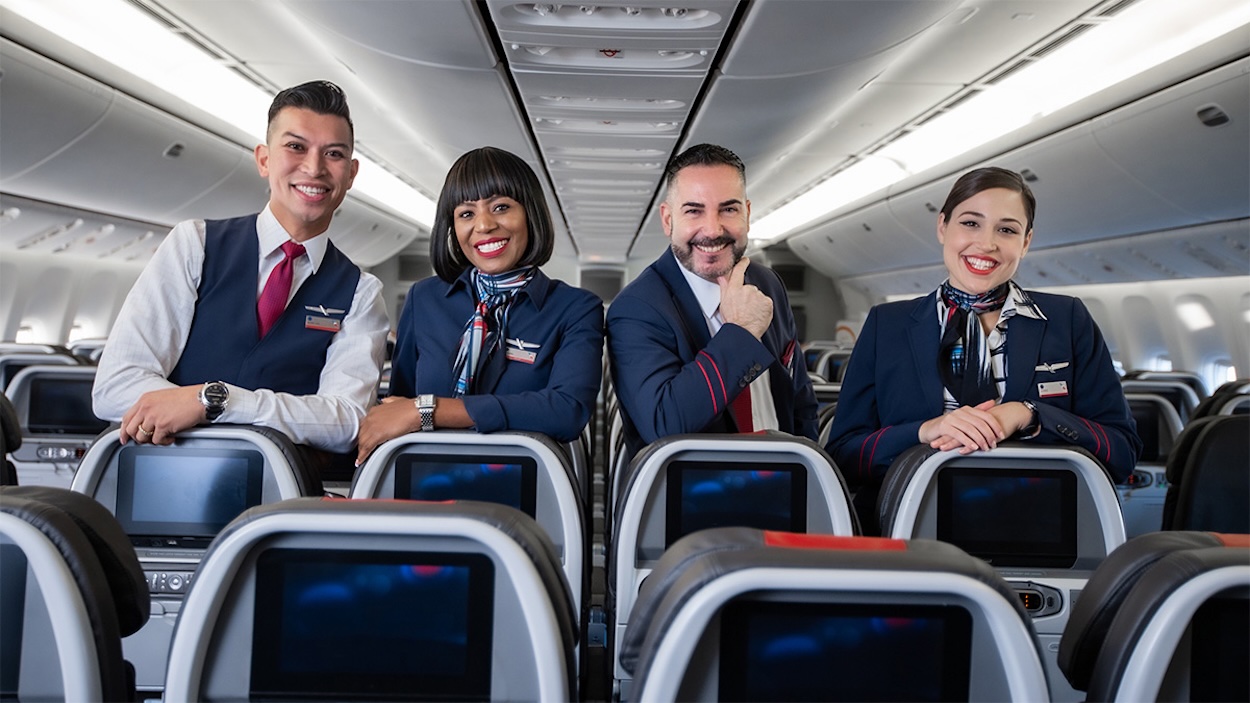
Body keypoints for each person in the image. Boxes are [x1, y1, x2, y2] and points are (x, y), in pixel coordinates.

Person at [826, 166, 1141, 532]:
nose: (987, 244)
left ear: (1025, 242)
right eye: (971, 223)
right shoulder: (888, 324)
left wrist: (1029, 414)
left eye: (1006, 230)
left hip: (1039, 531)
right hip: (908, 531)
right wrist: (925, 431)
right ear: (943, 227)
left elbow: (1122, 453)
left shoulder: (1066, 319)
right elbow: (845, 455)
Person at [93, 81, 389, 462]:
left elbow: (345, 421)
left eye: (333, 154)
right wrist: (277, 414)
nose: (314, 168)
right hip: (164, 479)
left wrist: (214, 400)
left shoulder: (360, 293)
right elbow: (115, 386)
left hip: (284, 497)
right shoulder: (195, 245)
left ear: (350, 174)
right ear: (264, 160)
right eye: (295, 147)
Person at [355, 147, 604, 464]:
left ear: (531, 213)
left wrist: (432, 409)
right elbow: (399, 406)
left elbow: (566, 411)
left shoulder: (574, 308)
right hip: (423, 478)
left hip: (520, 483)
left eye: (501, 207)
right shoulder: (425, 299)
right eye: (466, 214)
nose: (484, 225)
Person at [606, 143, 817, 462]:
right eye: (694, 211)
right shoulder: (637, 308)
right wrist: (742, 333)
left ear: (747, 214)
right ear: (668, 220)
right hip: (692, 497)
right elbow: (664, 425)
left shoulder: (768, 284)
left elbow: (799, 402)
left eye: (728, 209)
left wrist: (810, 471)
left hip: (787, 477)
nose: (713, 229)